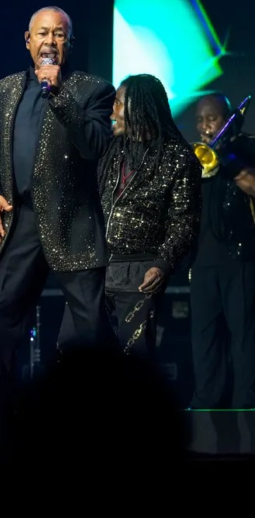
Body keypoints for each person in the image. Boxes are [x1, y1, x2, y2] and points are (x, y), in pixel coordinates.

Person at [0, 6, 116, 448]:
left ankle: (87, 435)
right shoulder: (3, 90)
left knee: (88, 332)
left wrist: (59, 96)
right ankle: (0, 432)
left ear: (69, 43)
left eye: (59, 34)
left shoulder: (93, 89)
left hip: (72, 218)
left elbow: (94, 146)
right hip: (19, 220)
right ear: (28, 40)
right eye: (43, 34)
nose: (50, 42)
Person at [97, 74, 202, 356]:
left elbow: (185, 221)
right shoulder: (112, 150)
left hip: (140, 274)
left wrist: (162, 263)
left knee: (133, 360)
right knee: (76, 352)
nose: (112, 111)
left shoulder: (178, 157)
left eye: (118, 103)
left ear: (139, 107)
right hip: (98, 270)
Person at [190, 93, 255, 408]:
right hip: (203, 264)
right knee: (204, 342)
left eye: (211, 119)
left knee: (244, 342)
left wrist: (227, 157)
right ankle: (206, 410)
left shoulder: (247, 148)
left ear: (228, 118)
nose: (205, 127)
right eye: (200, 121)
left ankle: (246, 410)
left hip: (239, 260)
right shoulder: (196, 155)